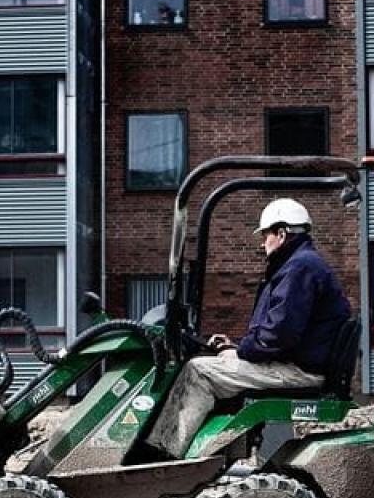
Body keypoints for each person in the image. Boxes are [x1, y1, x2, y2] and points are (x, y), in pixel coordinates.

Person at [146, 197, 353, 459]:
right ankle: (207, 455)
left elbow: (280, 335)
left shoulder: (300, 268)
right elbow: (278, 331)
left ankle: (164, 457)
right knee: (212, 363)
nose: (261, 241)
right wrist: (237, 346)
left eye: (265, 234)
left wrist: (242, 352)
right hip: (297, 362)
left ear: (281, 233)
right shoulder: (299, 265)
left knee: (198, 371)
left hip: (298, 371)